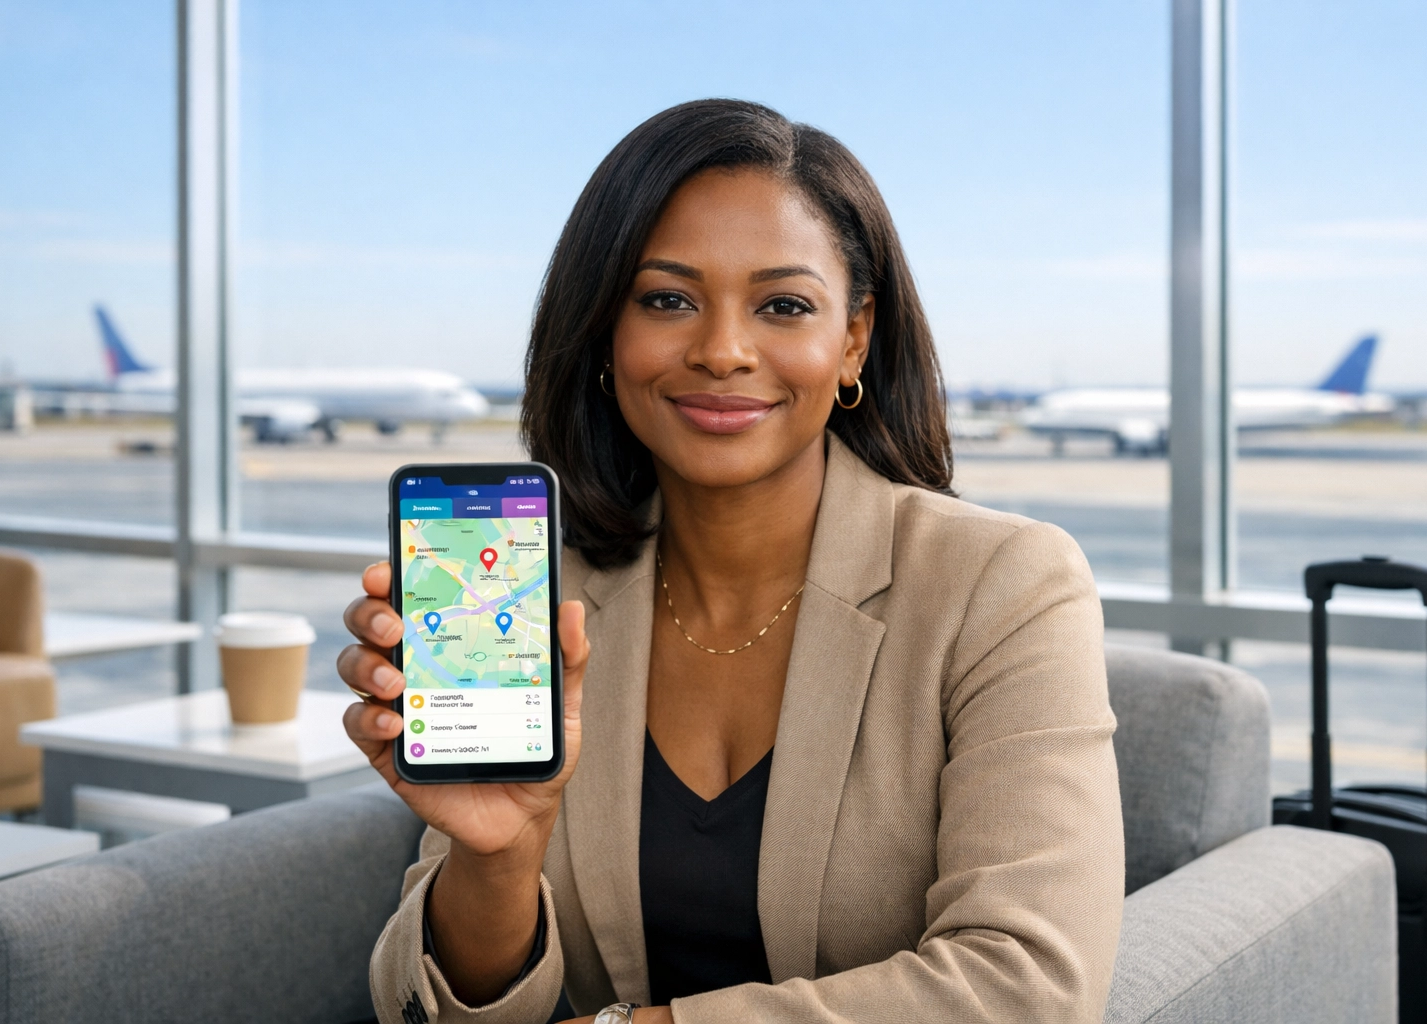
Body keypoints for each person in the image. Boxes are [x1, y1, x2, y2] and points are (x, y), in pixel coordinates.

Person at [339, 99, 1123, 1024]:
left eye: (783, 305)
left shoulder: (1006, 586)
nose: (721, 351)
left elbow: (1029, 988)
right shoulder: (536, 598)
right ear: (605, 334)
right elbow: (427, 1009)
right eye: (667, 299)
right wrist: (501, 856)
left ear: (854, 340)